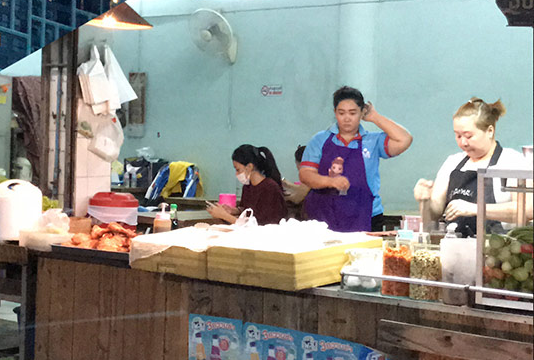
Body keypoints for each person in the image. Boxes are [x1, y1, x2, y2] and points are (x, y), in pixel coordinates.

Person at [301, 86, 413, 232]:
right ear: (335, 113)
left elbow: (404, 139)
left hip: (365, 215)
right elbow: (305, 174)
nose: (347, 118)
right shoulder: (320, 139)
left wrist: (374, 117)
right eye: (341, 113)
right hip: (324, 216)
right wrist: (330, 181)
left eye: (353, 113)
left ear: (361, 113)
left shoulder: (372, 141)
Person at [414, 98, 530, 237]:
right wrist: (425, 201)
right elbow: (432, 216)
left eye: (469, 136)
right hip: (455, 248)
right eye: (458, 136)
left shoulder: (512, 161)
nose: (463, 142)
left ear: (490, 131)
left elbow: (527, 211)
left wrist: (476, 209)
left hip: (499, 250)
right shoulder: (452, 163)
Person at [206, 145, 289, 225]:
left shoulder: (270, 188)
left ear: (249, 166)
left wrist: (224, 215)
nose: (236, 174)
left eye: (238, 169)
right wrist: (234, 211)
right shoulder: (247, 187)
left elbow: (257, 226)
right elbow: (249, 210)